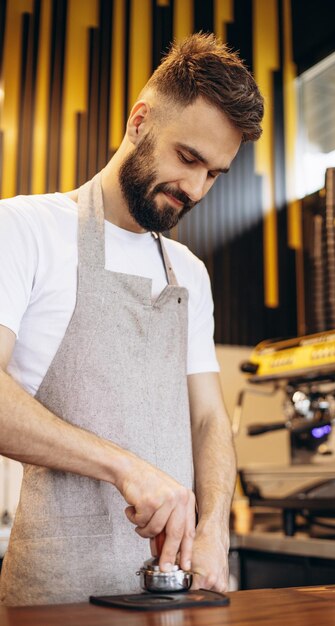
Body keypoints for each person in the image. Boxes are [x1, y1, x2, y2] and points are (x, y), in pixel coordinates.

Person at [0, 33, 264, 605]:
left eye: (215, 174)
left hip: (174, 595)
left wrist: (215, 524)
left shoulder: (189, 274)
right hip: (57, 596)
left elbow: (208, 420)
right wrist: (126, 468)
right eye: (188, 158)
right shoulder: (25, 229)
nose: (195, 188)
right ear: (140, 120)